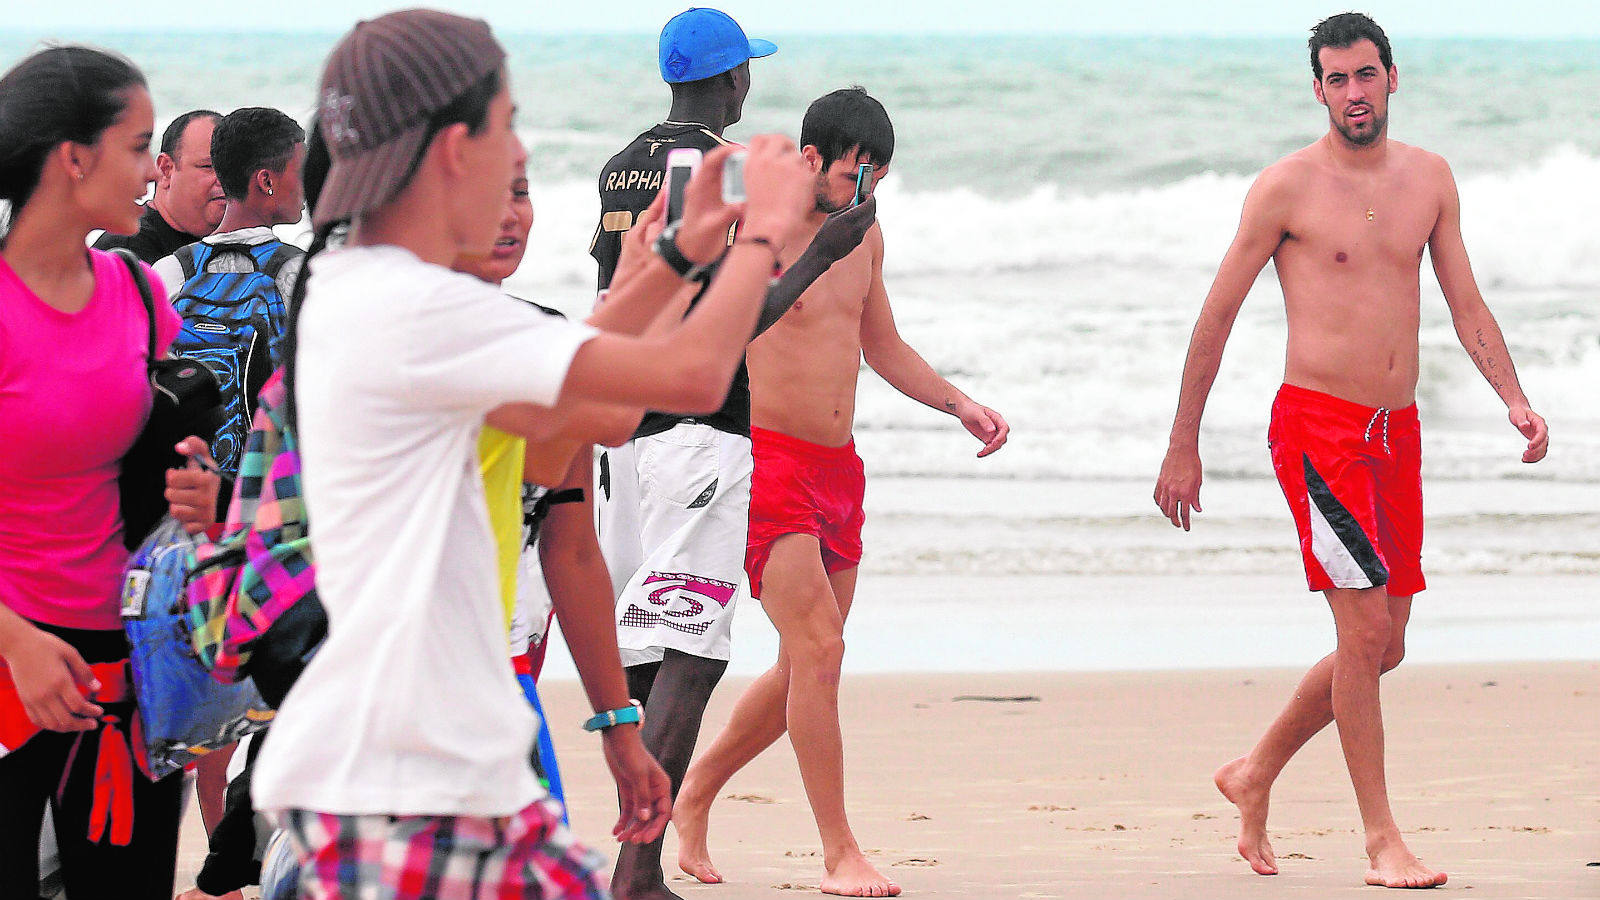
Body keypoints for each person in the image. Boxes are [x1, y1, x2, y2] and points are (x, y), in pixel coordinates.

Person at [249, 10, 813, 899]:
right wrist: (769, 234)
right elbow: (695, 377)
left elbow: (603, 419)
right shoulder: (416, 310)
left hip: (429, 777)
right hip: (402, 792)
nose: (520, 170)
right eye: (507, 130)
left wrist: (672, 256)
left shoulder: (370, 288)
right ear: (450, 154)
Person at [1151, 13, 1549, 891]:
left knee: (1388, 642)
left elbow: (1466, 303)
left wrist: (1513, 397)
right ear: (1318, 88)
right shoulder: (1285, 189)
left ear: (1392, 79)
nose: (1353, 93)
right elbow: (1214, 317)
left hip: (1394, 435)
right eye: (1335, 79)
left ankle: (1253, 771)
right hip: (1318, 431)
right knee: (1364, 628)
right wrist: (1183, 444)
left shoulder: (1430, 179)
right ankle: (1381, 842)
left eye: (1365, 75)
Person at [673, 87, 1009, 899]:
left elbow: (880, 342)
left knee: (801, 666)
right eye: (858, 178)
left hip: (838, 470)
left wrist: (956, 401)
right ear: (813, 160)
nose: (867, 196)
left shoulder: (865, 234)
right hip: (770, 464)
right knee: (822, 651)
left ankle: (693, 795)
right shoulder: (753, 228)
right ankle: (838, 852)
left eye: (880, 181)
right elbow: (709, 330)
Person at [592, 14, 876, 899]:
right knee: (697, 653)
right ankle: (637, 874)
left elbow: (623, 292)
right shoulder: (727, 171)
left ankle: (634, 863)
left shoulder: (625, 162)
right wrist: (822, 250)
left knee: (650, 649)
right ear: (736, 82)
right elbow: (729, 318)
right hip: (701, 427)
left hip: (624, 435)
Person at [0, 45, 220, 900]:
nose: (150, 170)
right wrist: (15, 643)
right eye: (136, 147)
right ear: (74, 157)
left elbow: (163, 458)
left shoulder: (136, 290)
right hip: (12, 662)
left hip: (131, 667)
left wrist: (198, 487)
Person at [153, 106, 307, 303]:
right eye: (300, 171)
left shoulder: (170, 270)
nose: (307, 181)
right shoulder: (300, 273)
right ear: (266, 181)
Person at [94, 108, 223, 262]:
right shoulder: (124, 251)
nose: (224, 179)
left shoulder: (242, 242)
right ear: (166, 169)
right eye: (208, 166)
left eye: (231, 168)